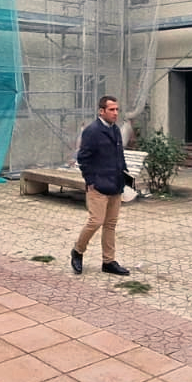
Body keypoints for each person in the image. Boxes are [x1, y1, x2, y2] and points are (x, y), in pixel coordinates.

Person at [70, 95, 131, 277]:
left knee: (110, 224)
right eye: (111, 110)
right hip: (98, 186)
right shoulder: (92, 131)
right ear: (101, 111)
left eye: (117, 109)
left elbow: (119, 155)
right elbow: (83, 158)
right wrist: (91, 182)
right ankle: (78, 250)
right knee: (95, 221)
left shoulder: (115, 130)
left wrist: (125, 177)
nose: (115, 113)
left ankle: (108, 261)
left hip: (116, 185)